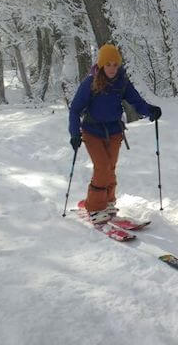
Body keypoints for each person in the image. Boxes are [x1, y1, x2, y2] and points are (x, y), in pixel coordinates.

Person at [68, 44, 162, 224]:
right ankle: (95, 207)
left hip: (114, 131)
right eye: (108, 64)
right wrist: (74, 133)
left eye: (115, 64)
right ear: (102, 65)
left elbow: (136, 101)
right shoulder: (90, 82)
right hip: (92, 132)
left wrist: (150, 110)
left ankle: (108, 202)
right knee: (102, 167)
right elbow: (75, 110)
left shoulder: (122, 82)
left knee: (110, 168)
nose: (112, 68)